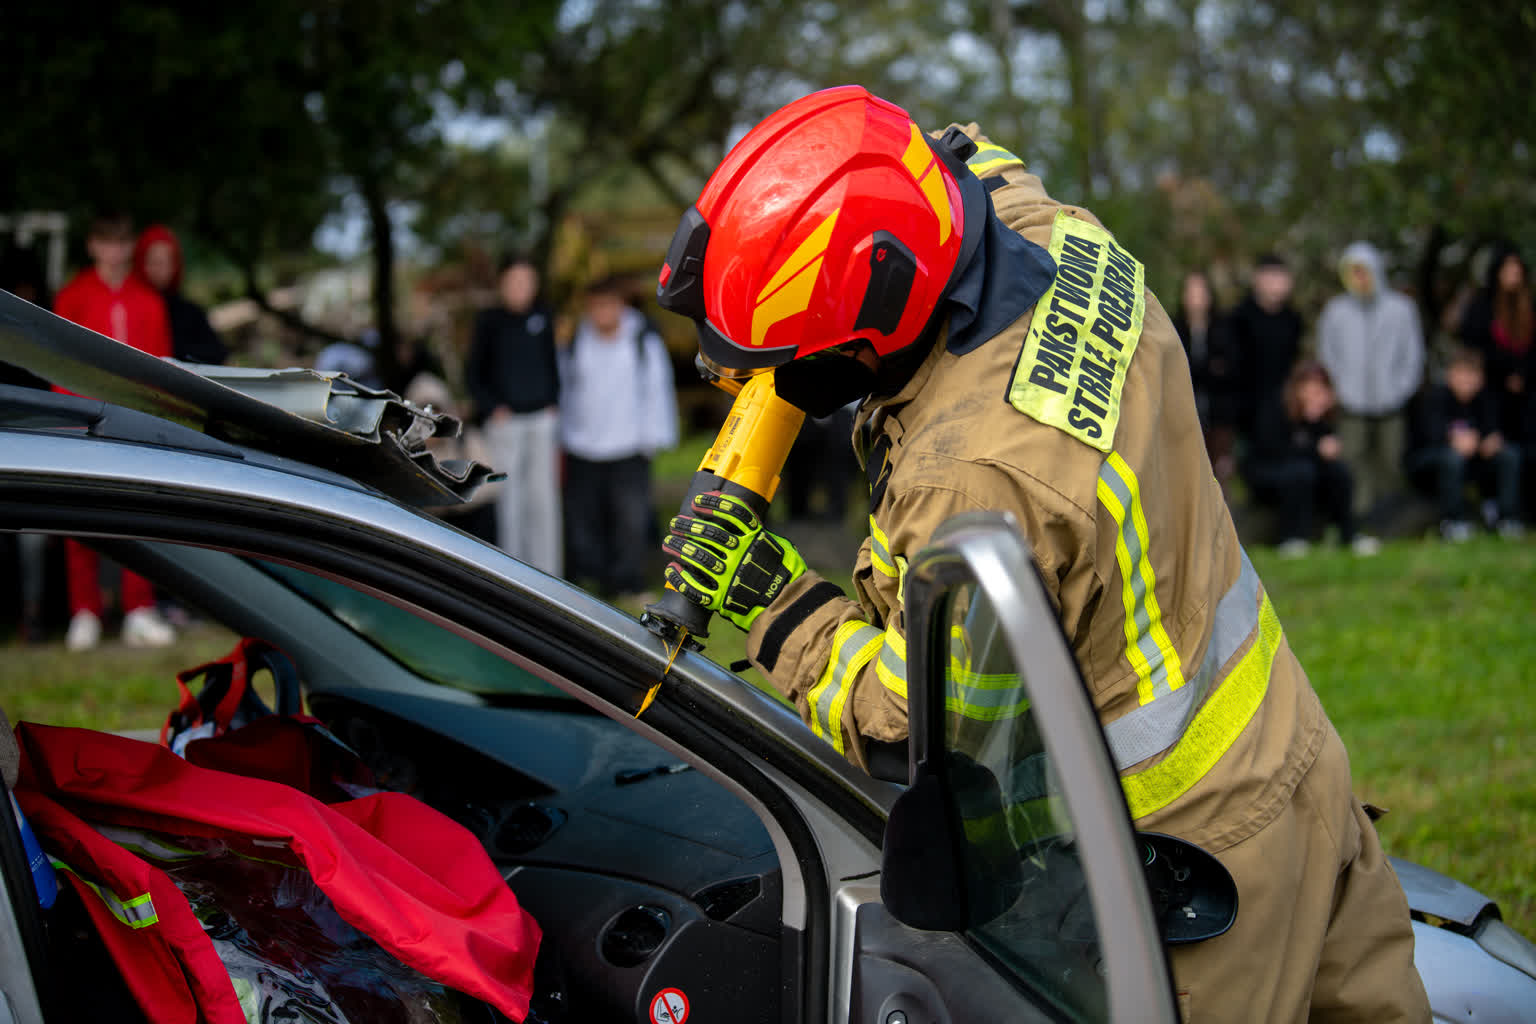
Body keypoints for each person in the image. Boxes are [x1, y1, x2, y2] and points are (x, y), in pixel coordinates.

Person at [653, 87, 1427, 1021]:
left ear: (874, 329)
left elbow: (912, 723)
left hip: (1193, 857)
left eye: (791, 363)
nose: (775, 385)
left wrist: (774, 603)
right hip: (1292, 742)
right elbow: (961, 159)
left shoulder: (975, 481)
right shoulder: (1049, 230)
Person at [52, 213, 177, 650]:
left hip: (133, 421)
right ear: (93, 246)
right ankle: (84, 612)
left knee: (138, 512)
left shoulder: (150, 301)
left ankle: (138, 610)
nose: (114, 252)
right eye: (106, 242)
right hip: (83, 417)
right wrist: (70, 414)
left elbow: (161, 368)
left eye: (122, 242)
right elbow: (58, 362)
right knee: (79, 513)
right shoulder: (73, 296)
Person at [559, 275, 677, 601]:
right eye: (595, 307)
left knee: (630, 521)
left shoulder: (642, 338)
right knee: (586, 520)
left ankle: (629, 581)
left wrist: (654, 438)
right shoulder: (575, 341)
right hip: (583, 444)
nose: (601, 314)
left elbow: (658, 390)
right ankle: (594, 581)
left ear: (620, 306)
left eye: (607, 306)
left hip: (630, 445)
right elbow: (568, 390)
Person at [465, 255, 563, 574]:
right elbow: (473, 373)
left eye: (527, 281)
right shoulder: (488, 322)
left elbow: (553, 363)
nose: (521, 288)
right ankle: (514, 571)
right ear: (503, 284)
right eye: (515, 281)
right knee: (510, 498)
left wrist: (553, 400)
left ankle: (549, 572)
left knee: (544, 498)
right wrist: (492, 408)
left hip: (541, 418)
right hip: (505, 424)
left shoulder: (544, 316)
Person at [1317, 242, 1425, 521]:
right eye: (1353, 272)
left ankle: (1390, 519)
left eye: (1364, 271)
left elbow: (1412, 355)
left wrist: (1400, 391)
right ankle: (1356, 520)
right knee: (1352, 462)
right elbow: (1327, 356)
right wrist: (1340, 391)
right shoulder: (1335, 312)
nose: (1360, 278)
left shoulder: (1401, 309)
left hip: (1391, 404)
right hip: (1350, 405)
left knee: (1390, 461)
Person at [1243, 361, 1377, 557]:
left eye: (1320, 390)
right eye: (1310, 389)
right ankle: (1293, 538)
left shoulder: (1322, 415)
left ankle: (1349, 534)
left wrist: (1316, 422)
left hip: (1305, 471)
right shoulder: (1275, 407)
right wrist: (1315, 448)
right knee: (1301, 472)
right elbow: (1274, 450)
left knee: (1340, 472)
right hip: (1269, 471)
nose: (1315, 395)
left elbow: (1322, 451)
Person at [1409, 347, 1523, 540]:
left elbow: (1494, 432)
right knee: (1452, 458)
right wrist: (1452, 439)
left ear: (1481, 378)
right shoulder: (1434, 397)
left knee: (1509, 455)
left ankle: (1506, 518)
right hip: (1430, 460)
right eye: (1462, 374)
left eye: (1472, 375)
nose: (1467, 381)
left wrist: (1490, 441)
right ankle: (1454, 522)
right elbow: (1428, 434)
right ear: (1450, 374)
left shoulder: (1485, 399)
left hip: (1473, 460)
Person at [1457, 244, 1533, 445]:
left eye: (1517, 270)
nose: (1513, 275)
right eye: (1508, 269)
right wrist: (1506, 372)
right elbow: (1473, 344)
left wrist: (1522, 374)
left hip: (1526, 389)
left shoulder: (1528, 306)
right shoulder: (1482, 305)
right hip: (1491, 388)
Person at [1225, 254, 1304, 447]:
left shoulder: (1293, 320)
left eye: (1281, 278)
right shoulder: (1239, 318)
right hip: (1245, 408)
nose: (1276, 285)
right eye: (1271, 278)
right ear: (1258, 280)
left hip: (1283, 406)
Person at [1170, 269, 1236, 489]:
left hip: (1218, 415)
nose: (1196, 298)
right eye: (1191, 292)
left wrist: (1205, 371)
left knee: (1218, 473)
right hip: (1185, 412)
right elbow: (1179, 371)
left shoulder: (1223, 329)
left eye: (1201, 292)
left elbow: (1227, 371)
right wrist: (1208, 369)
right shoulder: (1174, 329)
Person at [133, 224, 228, 365]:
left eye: (166, 262)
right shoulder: (128, 307)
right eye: (153, 261)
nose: (159, 269)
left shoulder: (190, 313)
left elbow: (217, 355)